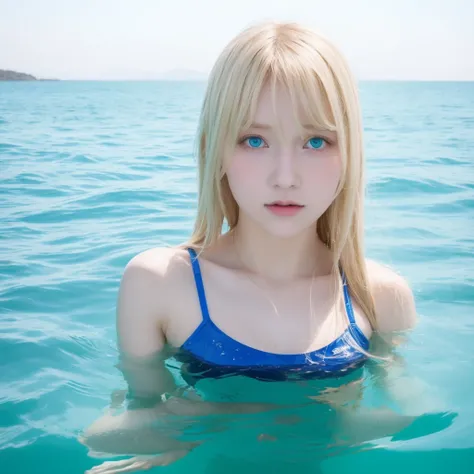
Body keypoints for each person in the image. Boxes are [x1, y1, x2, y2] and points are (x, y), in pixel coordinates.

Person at [79, 20, 436, 474]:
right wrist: (292, 419)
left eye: (315, 141)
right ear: (217, 149)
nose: (284, 175)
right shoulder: (160, 283)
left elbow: (420, 415)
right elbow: (110, 432)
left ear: (350, 153)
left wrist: (214, 420)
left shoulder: (379, 292)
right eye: (254, 140)